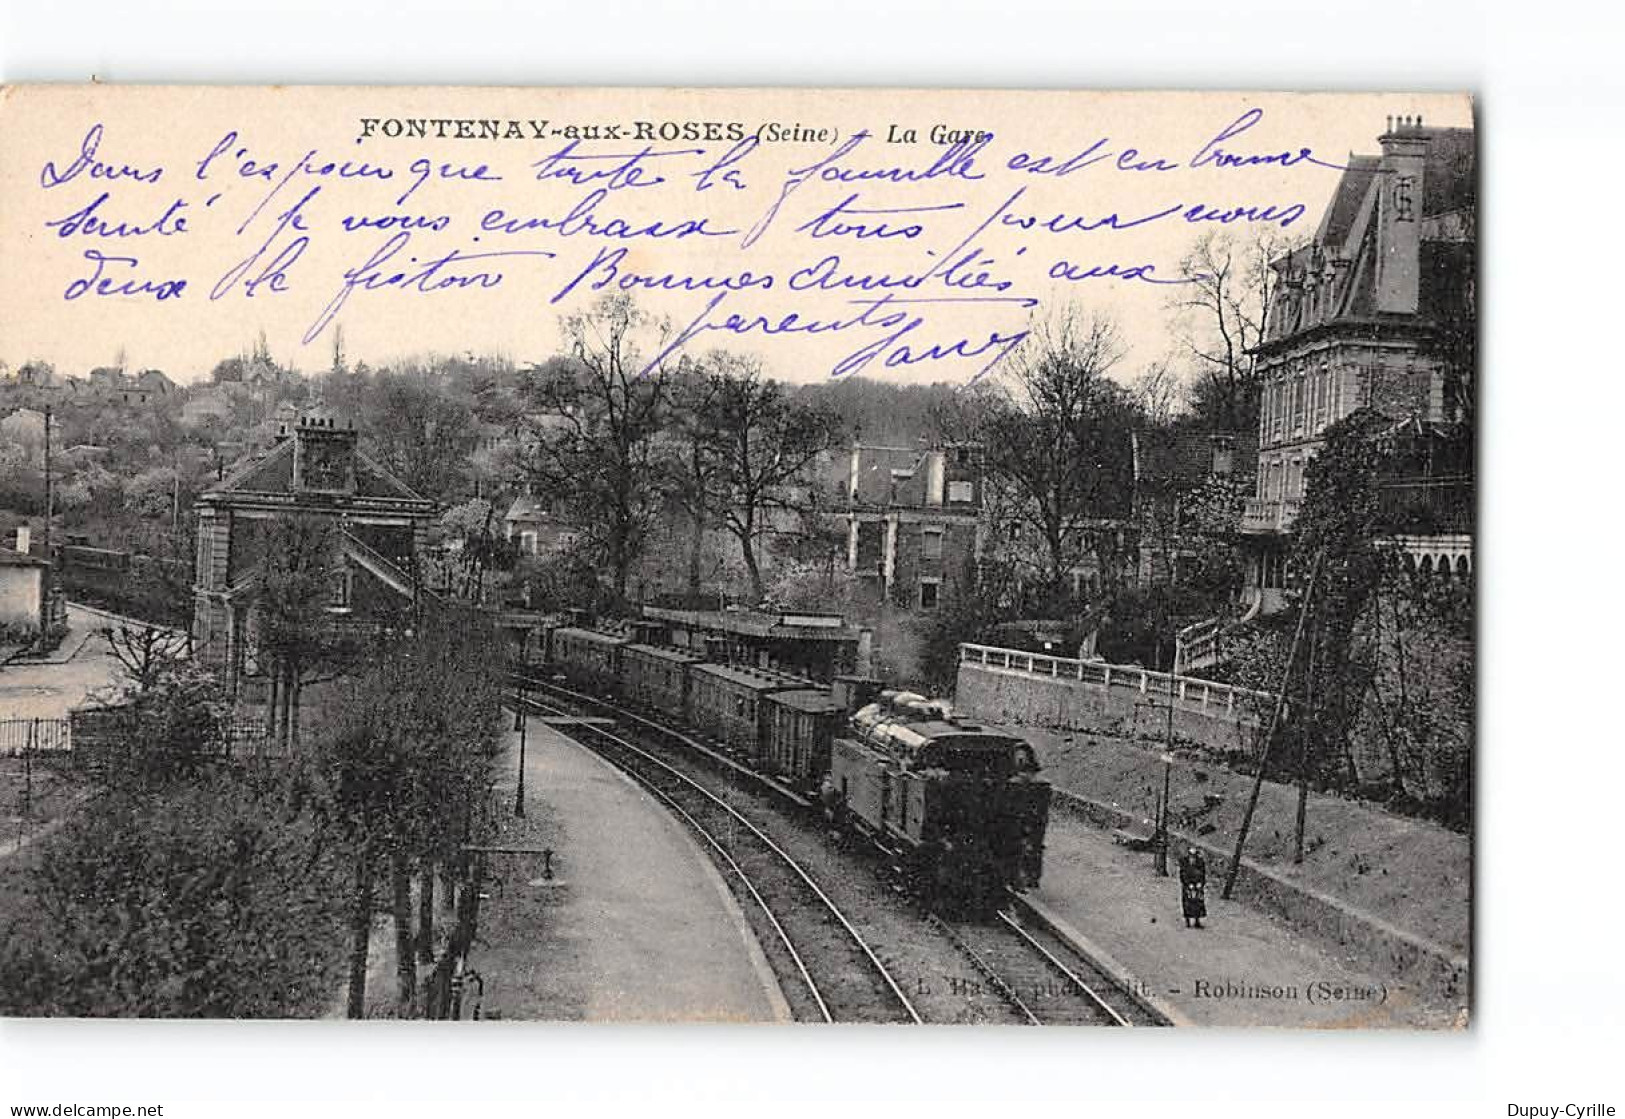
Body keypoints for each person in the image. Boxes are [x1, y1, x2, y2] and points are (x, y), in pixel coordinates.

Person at [1178, 846, 1207, 929]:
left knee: (1198, 903)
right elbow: (1183, 874)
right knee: (1187, 903)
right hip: (1188, 885)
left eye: (1194, 856)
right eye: (1191, 855)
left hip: (1197, 885)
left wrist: (1201, 883)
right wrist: (1187, 884)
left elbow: (1203, 874)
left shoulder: (1200, 862)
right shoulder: (1184, 862)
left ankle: (1197, 921)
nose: (1192, 858)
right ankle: (1188, 921)